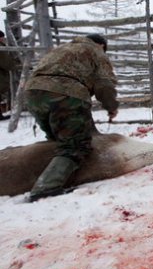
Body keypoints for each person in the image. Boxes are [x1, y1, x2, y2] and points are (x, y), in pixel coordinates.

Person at [24, 34, 118, 201]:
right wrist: (111, 107)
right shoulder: (96, 52)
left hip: (33, 93)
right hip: (66, 93)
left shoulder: (61, 49)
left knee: (56, 138)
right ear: (101, 45)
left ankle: (41, 174)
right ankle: (46, 187)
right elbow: (104, 84)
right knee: (75, 145)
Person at [0, 30, 18, 120]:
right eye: (2, 37)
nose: (4, 39)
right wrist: (16, 65)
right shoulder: (1, 49)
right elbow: (6, 64)